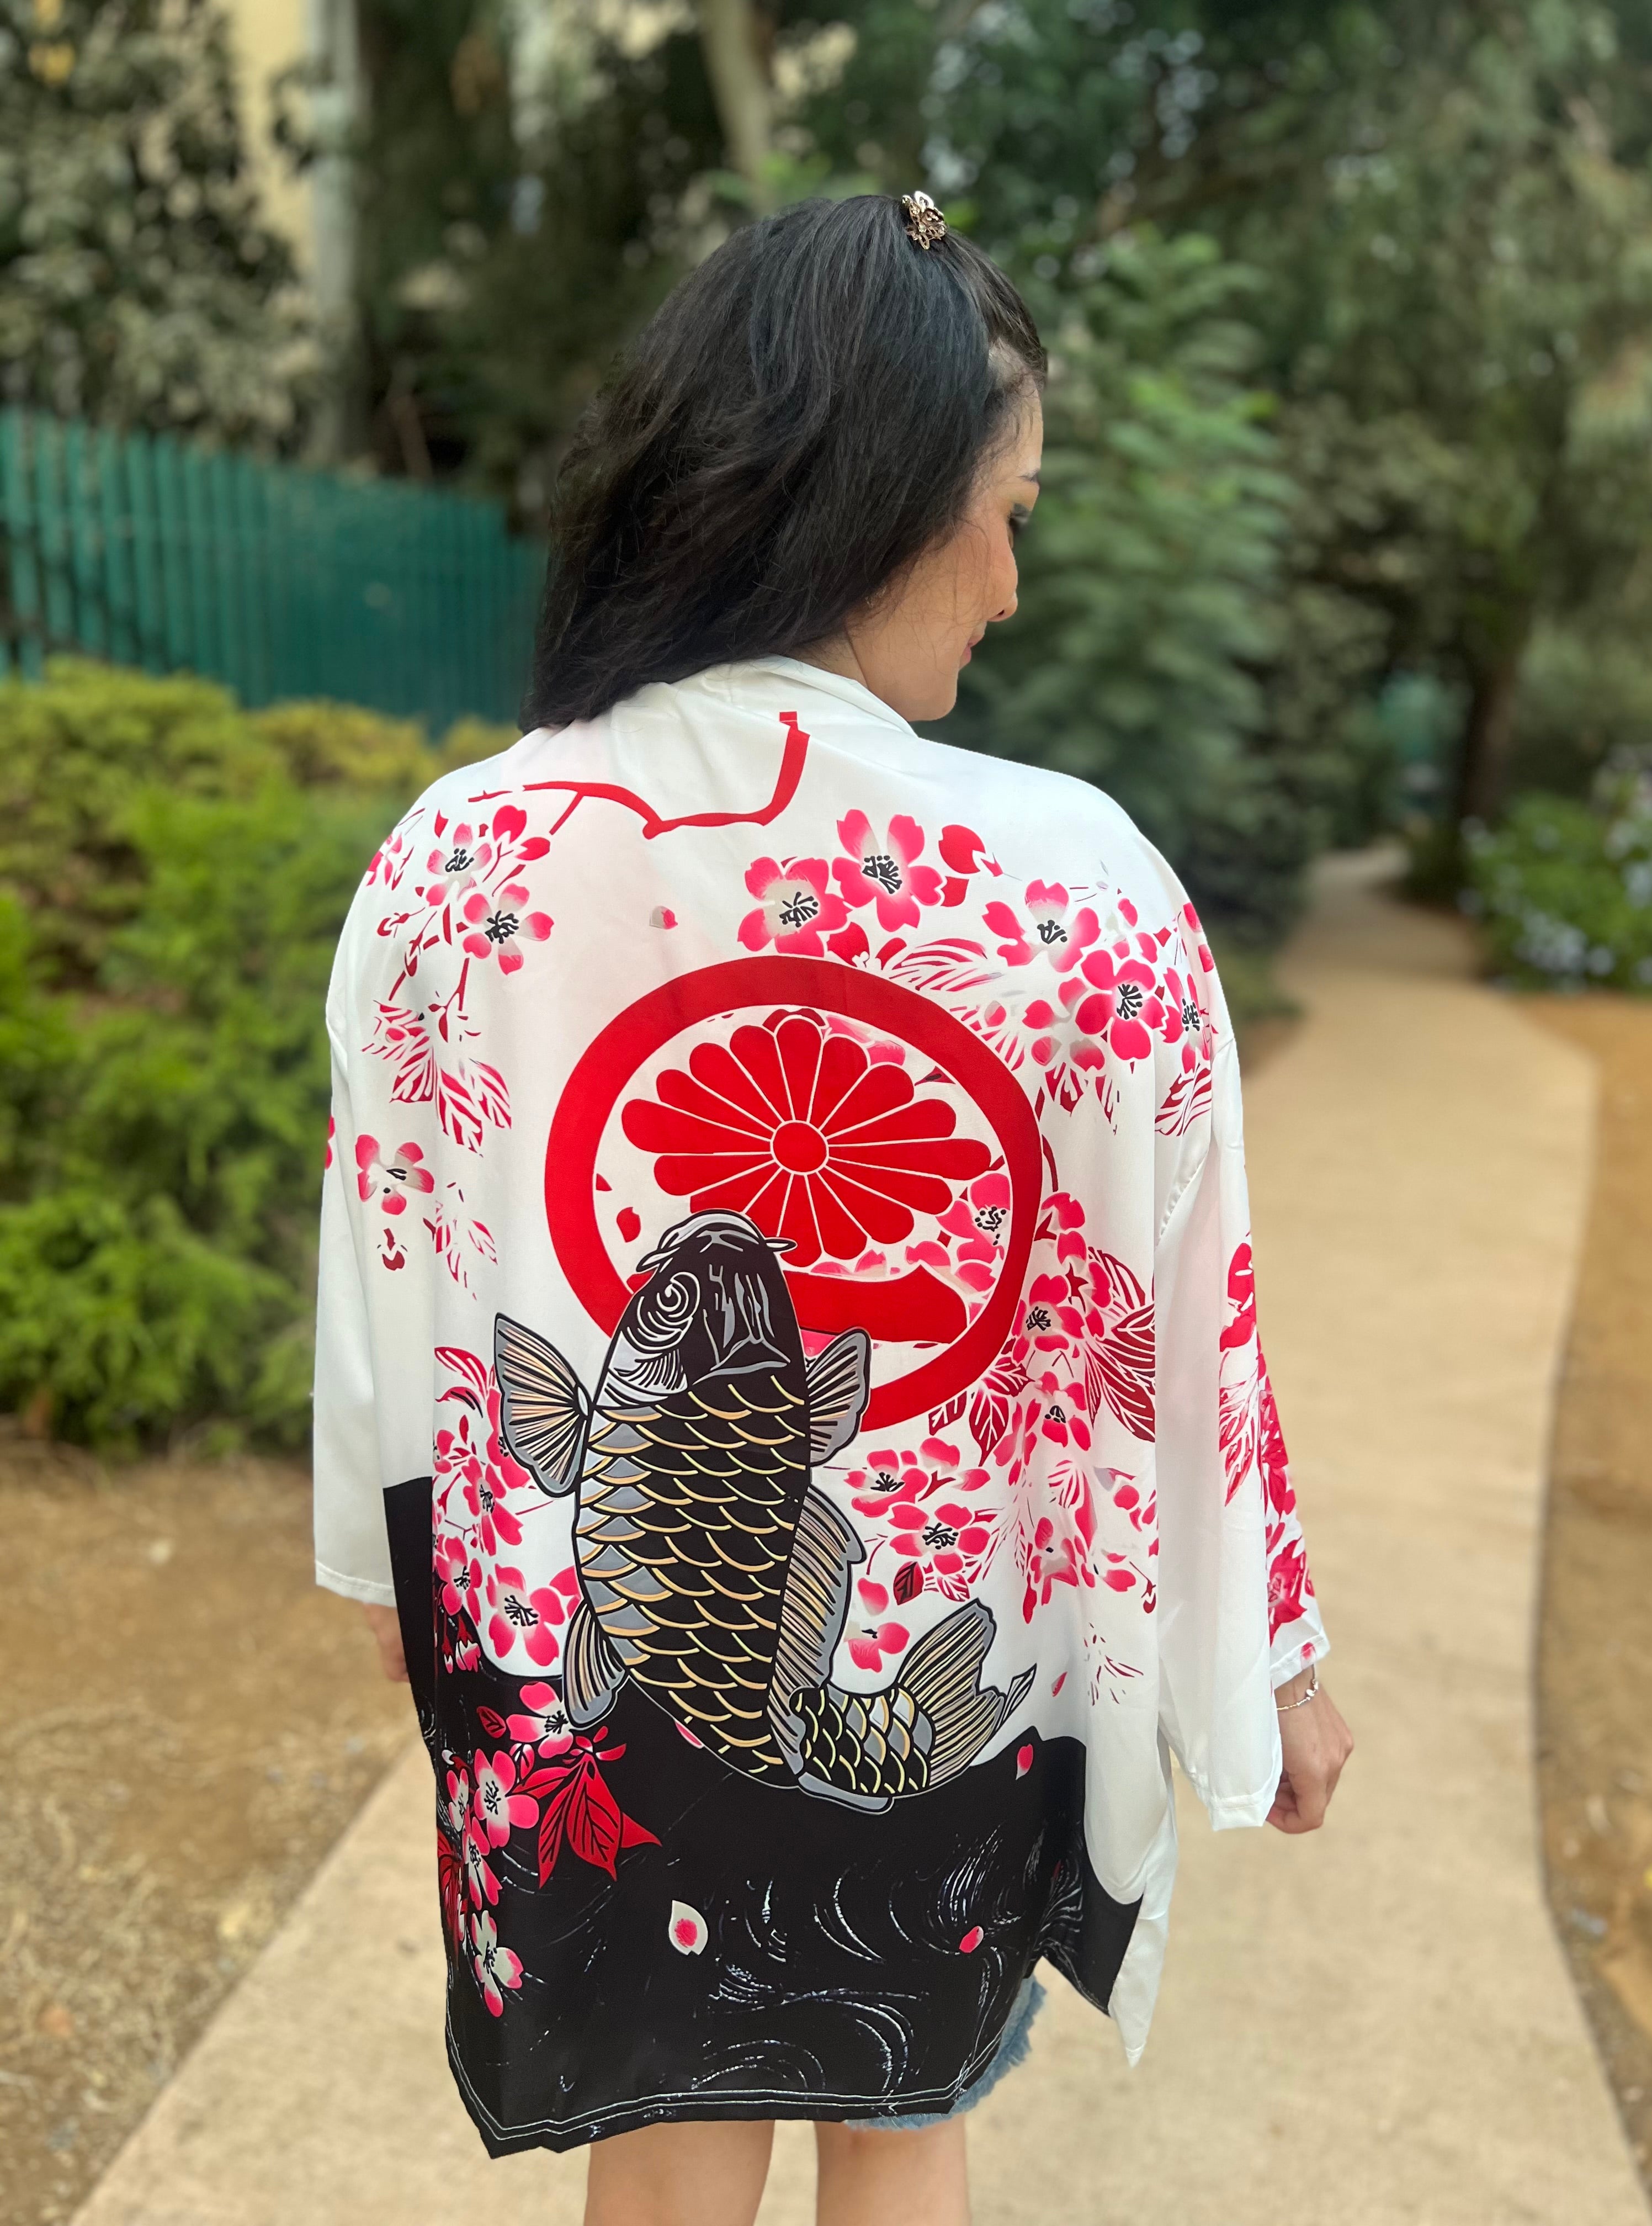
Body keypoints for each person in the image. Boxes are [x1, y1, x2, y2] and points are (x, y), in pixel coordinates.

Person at [313, 190, 1352, 2226]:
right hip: (958, 1669)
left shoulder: (461, 859)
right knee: (904, 2114)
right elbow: (1182, 1333)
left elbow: (394, 1272)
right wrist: (1271, 1660)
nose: (1014, 585)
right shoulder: (1086, 885)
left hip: (595, 1675)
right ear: (884, 497)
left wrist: (405, 1578)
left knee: (664, 2141)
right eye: (1010, 514)